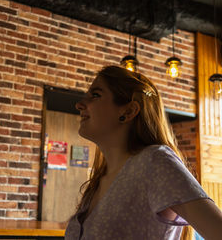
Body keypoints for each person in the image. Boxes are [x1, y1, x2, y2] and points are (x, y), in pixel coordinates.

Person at [65, 66, 222, 240]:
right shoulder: (99, 179)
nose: (79, 104)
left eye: (95, 95)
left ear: (129, 111)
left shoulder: (154, 162)